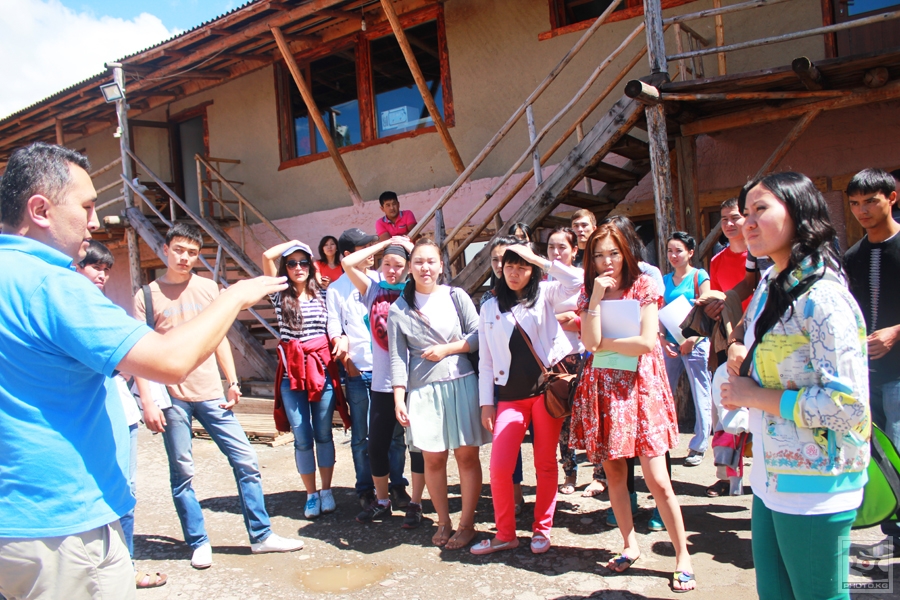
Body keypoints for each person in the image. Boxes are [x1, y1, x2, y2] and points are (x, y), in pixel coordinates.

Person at [0, 142, 286, 599]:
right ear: (40, 210)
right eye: (86, 206)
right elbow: (169, 361)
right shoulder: (53, 285)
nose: (95, 221)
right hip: (62, 523)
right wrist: (234, 296)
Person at [720, 171, 870, 599]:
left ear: (799, 213)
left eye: (760, 210)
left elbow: (848, 406)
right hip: (771, 476)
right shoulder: (770, 283)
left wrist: (755, 396)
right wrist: (739, 353)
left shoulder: (823, 297)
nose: (747, 222)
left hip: (817, 482)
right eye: (745, 212)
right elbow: (761, 347)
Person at [132, 223, 303, 570]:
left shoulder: (209, 288)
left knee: (246, 460)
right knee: (183, 472)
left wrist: (232, 380)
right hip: (172, 397)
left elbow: (219, 336)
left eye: (192, 253)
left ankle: (261, 535)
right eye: (179, 250)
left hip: (211, 392)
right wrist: (147, 400)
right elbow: (138, 349)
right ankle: (198, 542)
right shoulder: (146, 296)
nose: (185, 258)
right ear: (165, 250)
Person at [571, 224, 695, 592]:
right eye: (598, 255)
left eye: (613, 253)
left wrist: (604, 342)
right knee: (614, 473)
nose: (607, 261)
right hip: (605, 388)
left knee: (658, 479)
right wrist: (596, 298)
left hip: (641, 387)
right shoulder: (589, 292)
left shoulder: (644, 285)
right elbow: (589, 343)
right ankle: (629, 545)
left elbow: (644, 342)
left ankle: (683, 556)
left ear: (625, 252)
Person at [472, 242, 581, 555]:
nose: (514, 273)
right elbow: (486, 361)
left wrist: (537, 258)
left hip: (545, 395)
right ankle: (505, 533)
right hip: (509, 397)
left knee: (545, 464)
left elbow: (577, 282)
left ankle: (542, 530)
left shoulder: (546, 294)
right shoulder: (490, 306)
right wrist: (486, 403)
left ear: (533, 270)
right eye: (509, 266)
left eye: (522, 267)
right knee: (499, 468)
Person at [76, 241, 167, 590]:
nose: (101, 275)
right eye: (94, 267)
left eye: (106, 269)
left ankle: (125, 567)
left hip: (122, 412)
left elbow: (134, 356)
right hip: (89, 417)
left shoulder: (108, 310)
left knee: (125, 491)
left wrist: (147, 400)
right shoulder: (70, 308)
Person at [388, 238, 489, 549]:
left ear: (441, 265)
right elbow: (397, 358)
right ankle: (443, 521)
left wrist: (448, 349)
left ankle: (467, 524)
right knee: (432, 459)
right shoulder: (398, 309)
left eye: (431, 261)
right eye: (418, 262)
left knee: (467, 455)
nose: (425, 268)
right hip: (423, 390)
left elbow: (479, 335)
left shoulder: (456, 296)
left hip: (462, 382)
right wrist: (398, 397)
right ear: (410, 267)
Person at [262, 239, 350, 520]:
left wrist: (342, 339)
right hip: (292, 376)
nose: (298, 267)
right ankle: (311, 494)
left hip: (321, 371)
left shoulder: (324, 294)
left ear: (311, 266)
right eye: (291, 263)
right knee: (302, 437)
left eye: (303, 262)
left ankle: (326, 490)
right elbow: (266, 256)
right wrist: (294, 243)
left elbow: (337, 325)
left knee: (323, 434)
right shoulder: (279, 296)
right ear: (285, 268)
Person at [342, 236, 426, 527]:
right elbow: (347, 263)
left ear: (408, 267)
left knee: (417, 446)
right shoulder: (373, 291)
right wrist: (388, 242)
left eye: (399, 265)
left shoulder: (416, 290)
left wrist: (411, 250)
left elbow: (429, 267)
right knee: (376, 445)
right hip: (382, 383)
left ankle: (415, 503)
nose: (392, 270)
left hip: (414, 382)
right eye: (387, 264)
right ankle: (382, 501)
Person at [326, 227, 411, 511]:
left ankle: (397, 485)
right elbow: (334, 325)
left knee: (396, 436)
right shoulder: (337, 288)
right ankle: (365, 489)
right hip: (359, 371)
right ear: (349, 254)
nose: (373, 253)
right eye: (365, 248)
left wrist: (394, 247)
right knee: (362, 436)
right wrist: (340, 342)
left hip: (389, 371)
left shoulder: (383, 278)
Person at [843, 168, 900, 558]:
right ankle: (893, 533)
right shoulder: (852, 256)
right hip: (866, 377)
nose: (862, 211)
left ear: (892, 198)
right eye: (854, 204)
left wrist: (896, 331)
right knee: (880, 456)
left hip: (899, 374)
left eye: (870, 201)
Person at [480, 235, 527, 513]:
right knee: (509, 443)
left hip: (535, 382)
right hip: (504, 381)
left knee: (544, 448)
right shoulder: (489, 299)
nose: (500, 265)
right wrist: (486, 400)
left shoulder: (535, 294)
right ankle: (515, 494)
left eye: (506, 259)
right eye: (496, 260)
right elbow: (485, 355)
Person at [661, 231, 713, 468]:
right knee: (663, 392)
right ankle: (662, 441)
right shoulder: (664, 280)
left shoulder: (699, 276)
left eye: (678, 251)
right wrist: (662, 338)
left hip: (696, 343)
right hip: (671, 344)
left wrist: (693, 338)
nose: (673, 255)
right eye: (670, 251)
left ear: (690, 253)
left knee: (701, 392)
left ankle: (699, 445)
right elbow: (660, 310)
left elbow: (707, 307)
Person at [544, 228, 588, 496]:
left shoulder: (582, 278)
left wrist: (575, 320)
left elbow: (590, 315)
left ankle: (600, 474)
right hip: (551, 360)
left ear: (574, 250)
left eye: (562, 247)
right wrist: (562, 319)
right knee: (561, 420)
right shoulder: (542, 283)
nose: (556, 252)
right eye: (551, 247)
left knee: (587, 416)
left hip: (579, 356)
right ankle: (569, 473)